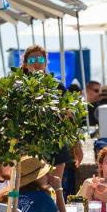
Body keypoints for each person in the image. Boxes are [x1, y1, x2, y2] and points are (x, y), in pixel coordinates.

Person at [21, 45, 84, 193]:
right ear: (25, 63)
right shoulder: (19, 88)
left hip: (55, 144)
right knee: (33, 189)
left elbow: (69, 118)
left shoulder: (57, 87)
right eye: (32, 59)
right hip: (30, 145)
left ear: (46, 62)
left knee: (55, 188)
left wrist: (77, 144)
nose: (37, 62)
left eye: (41, 59)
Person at [0, 156, 67, 212]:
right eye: (46, 173)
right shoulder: (42, 198)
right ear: (37, 178)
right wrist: (58, 190)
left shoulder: (5, 196)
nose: (49, 175)